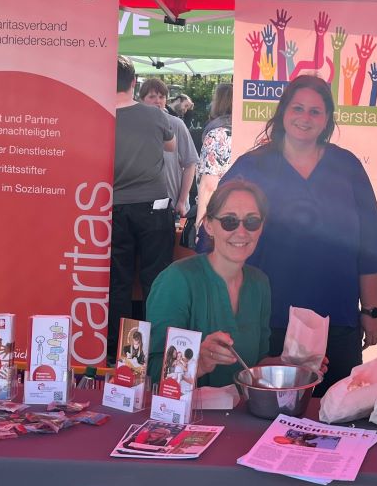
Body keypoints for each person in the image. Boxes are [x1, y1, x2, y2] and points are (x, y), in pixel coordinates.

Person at [215, 75, 377, 395]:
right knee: (265, 414)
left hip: (335, 319)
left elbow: (370, 247)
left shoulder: (347, 167)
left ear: (327, 119)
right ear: (283, 111)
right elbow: (219, 239)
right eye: (297, 108)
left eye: (315, 111)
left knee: (335, 415)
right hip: (266, 318)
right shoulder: (253, 166)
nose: (305, 118)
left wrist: (372, 311)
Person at [147, 180, 272, 387]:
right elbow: (150, 370)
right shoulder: (177, 280)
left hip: (245, 413)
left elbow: (256, 364)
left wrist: (293, 364)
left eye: (251, 222)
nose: (241, 232)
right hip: (189, 417)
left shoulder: (260, 284)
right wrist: (198, 362)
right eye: (229, 221)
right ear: (209, 225)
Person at [108, 56, 176, 362]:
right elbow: (171, 147)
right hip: (154, 207)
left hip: (112, 208)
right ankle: (156, 354)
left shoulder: (99, 115)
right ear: (134, 83)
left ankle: (120, 357)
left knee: (116, 285)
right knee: (157, 283)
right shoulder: (155, 115)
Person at [139, 79, 198, 219]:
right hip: (139, 204)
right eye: (152, 97)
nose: (157, 101)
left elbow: (190, 164)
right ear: (141, 100)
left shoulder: (176, 124)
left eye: (161, 97)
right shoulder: (135, 125)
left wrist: (182, 201)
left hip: (171, 205)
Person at [196, 83, 234, 234]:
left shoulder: (217, 135)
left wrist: (200, 223)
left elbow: (209, 185)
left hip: (218, 216)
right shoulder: (245, 131)